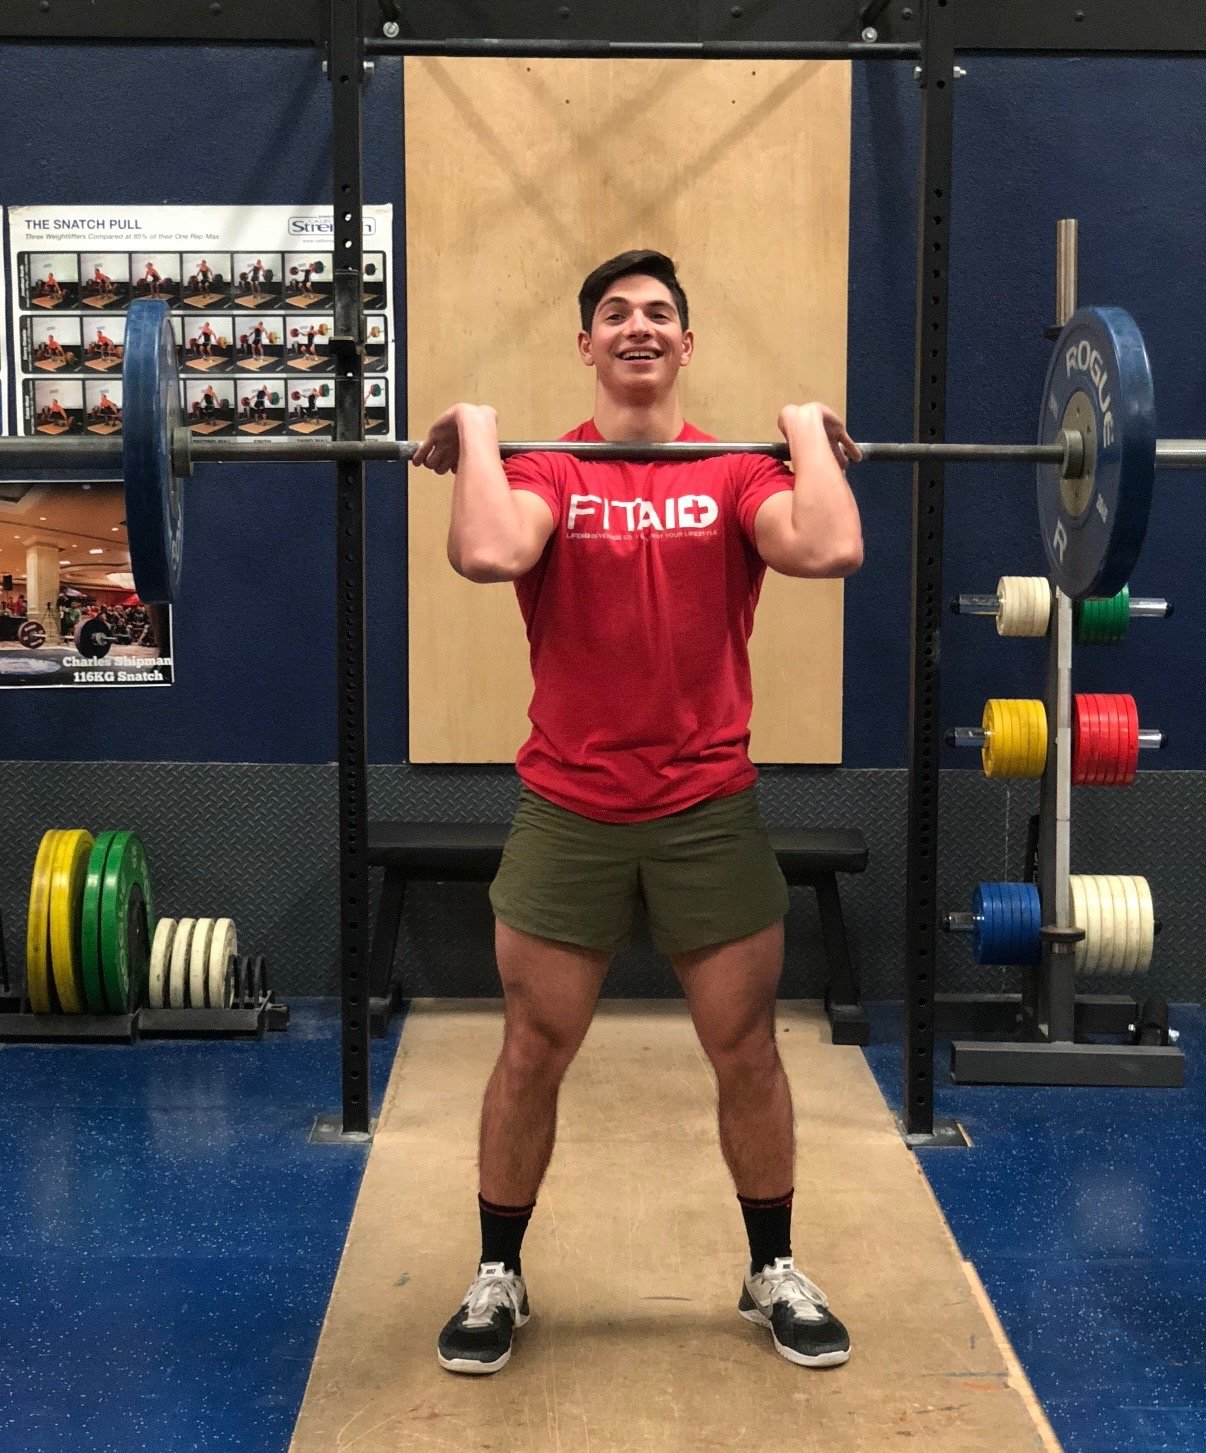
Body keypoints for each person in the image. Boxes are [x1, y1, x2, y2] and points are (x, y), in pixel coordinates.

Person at [415, 250, 864, 1377]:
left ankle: (771, 1271)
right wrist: (476, 431)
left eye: (659, 313)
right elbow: (485, 549)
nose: (638, 327)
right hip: (570, 806)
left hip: (709, 803)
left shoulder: (734, 475)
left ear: (686, 344)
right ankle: (497, 1275)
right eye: (615, 314)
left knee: (745, 1048)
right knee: (533, 1047)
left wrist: (804, 430)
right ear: (586, 346)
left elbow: (833, 545)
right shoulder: (549, 474)